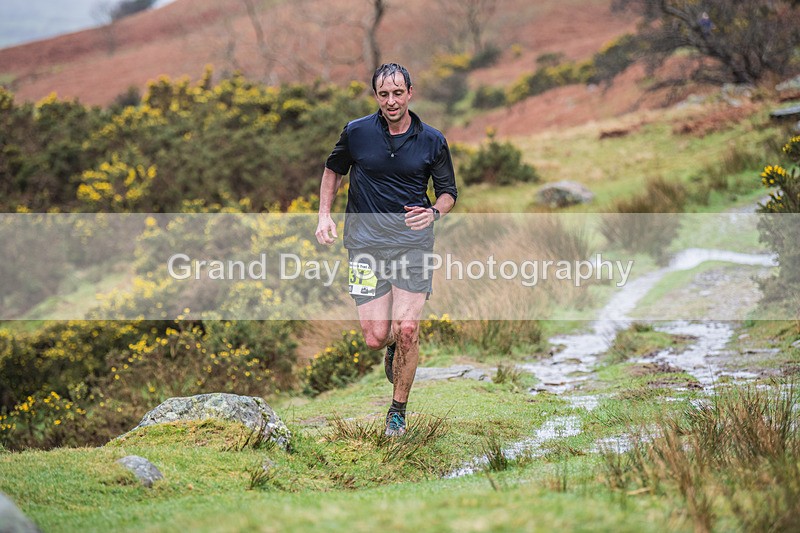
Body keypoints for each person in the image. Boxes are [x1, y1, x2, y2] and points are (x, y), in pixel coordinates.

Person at [315, 63, 458, 437]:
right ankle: (392, 344)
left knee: (408, 327)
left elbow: (448, 193)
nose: (391, 101)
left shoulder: (432, 140)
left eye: (398, 93)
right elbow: (333, 171)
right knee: (376, 336)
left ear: (410, 92)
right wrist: (324, 216)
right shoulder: (357, 132)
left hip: (412, 245)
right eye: (383, 94)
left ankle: (397, 412)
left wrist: (433, 213)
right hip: (364, 246)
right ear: (376, 96)